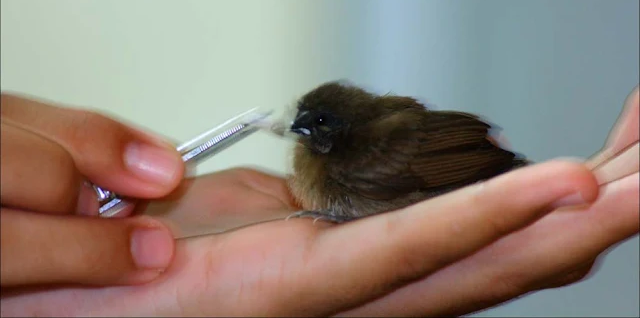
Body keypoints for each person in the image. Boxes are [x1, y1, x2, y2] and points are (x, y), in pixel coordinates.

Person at [1, 87, 638, 316]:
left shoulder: (367, 149)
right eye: (302, 126)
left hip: (450, 167)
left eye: (318, 129)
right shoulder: (320, 158)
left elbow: (458, 155)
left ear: (339, 132)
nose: (303, 138)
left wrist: (500, 173)